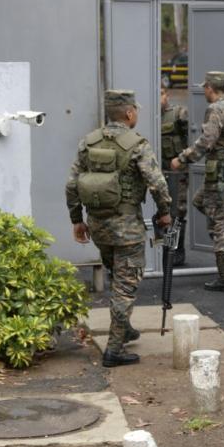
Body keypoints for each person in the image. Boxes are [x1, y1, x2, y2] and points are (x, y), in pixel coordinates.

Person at [65, 90, 172, 367]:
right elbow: (158, 184)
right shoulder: (137, 144)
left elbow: (72, 184)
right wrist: (164, 213)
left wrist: (77, 219)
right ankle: (114, 350)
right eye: (135, 109)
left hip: (98, 227)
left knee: (117, 277)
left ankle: (123, 329)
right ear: (128, 113)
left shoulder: (88, 142)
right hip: (127, 230)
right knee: (126, 286)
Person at [171, 71, 224, 291]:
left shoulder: (215, 110)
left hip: (220, 174)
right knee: (199, 201)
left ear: (210, 88)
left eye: (205, 87)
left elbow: (206, 141)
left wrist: (182, 159)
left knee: (217, 223)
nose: (203, 90)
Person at [160, 85, 189, 266]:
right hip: (156, 173)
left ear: (167, 95)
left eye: (162, 94)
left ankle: (175, 251)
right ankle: (159, 250)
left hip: (176, 173)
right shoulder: (143, 117)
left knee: (176, 212)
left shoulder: (178, 114)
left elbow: (194, 136)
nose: (160, 99)